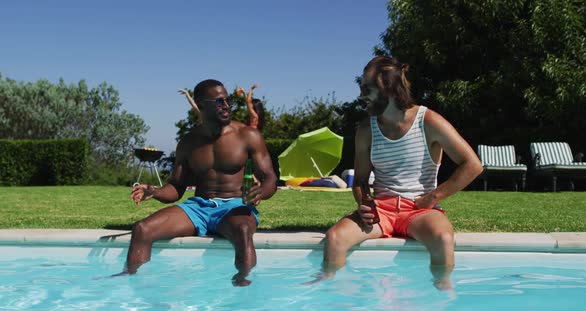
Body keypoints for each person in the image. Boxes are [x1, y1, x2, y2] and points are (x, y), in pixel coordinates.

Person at [309, 56, 483, 290]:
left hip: (419, 210)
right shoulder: (366, 129)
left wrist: (432, 198)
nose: (361, 95)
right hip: (381, 210)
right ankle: (329, 289)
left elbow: (472, 165)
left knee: (443, 239)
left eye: (366, 88)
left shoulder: (428, 121)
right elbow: (360, 180)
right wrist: (365, 202)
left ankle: (442, 291)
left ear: (387, 88)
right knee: (335, 238)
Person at [123, 79, 277, 287]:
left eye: (227, 100)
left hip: (234, 206)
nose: (226, 106)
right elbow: (176, 188)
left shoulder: (247, 135)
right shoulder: (188, 142)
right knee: (142, 229)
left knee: (242, 231)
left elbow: (270, 178)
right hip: (198, 208)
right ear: (202, 105)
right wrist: (154, 191)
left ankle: (243, 288)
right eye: (219, 101)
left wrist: (260, 192)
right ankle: (131, 284)